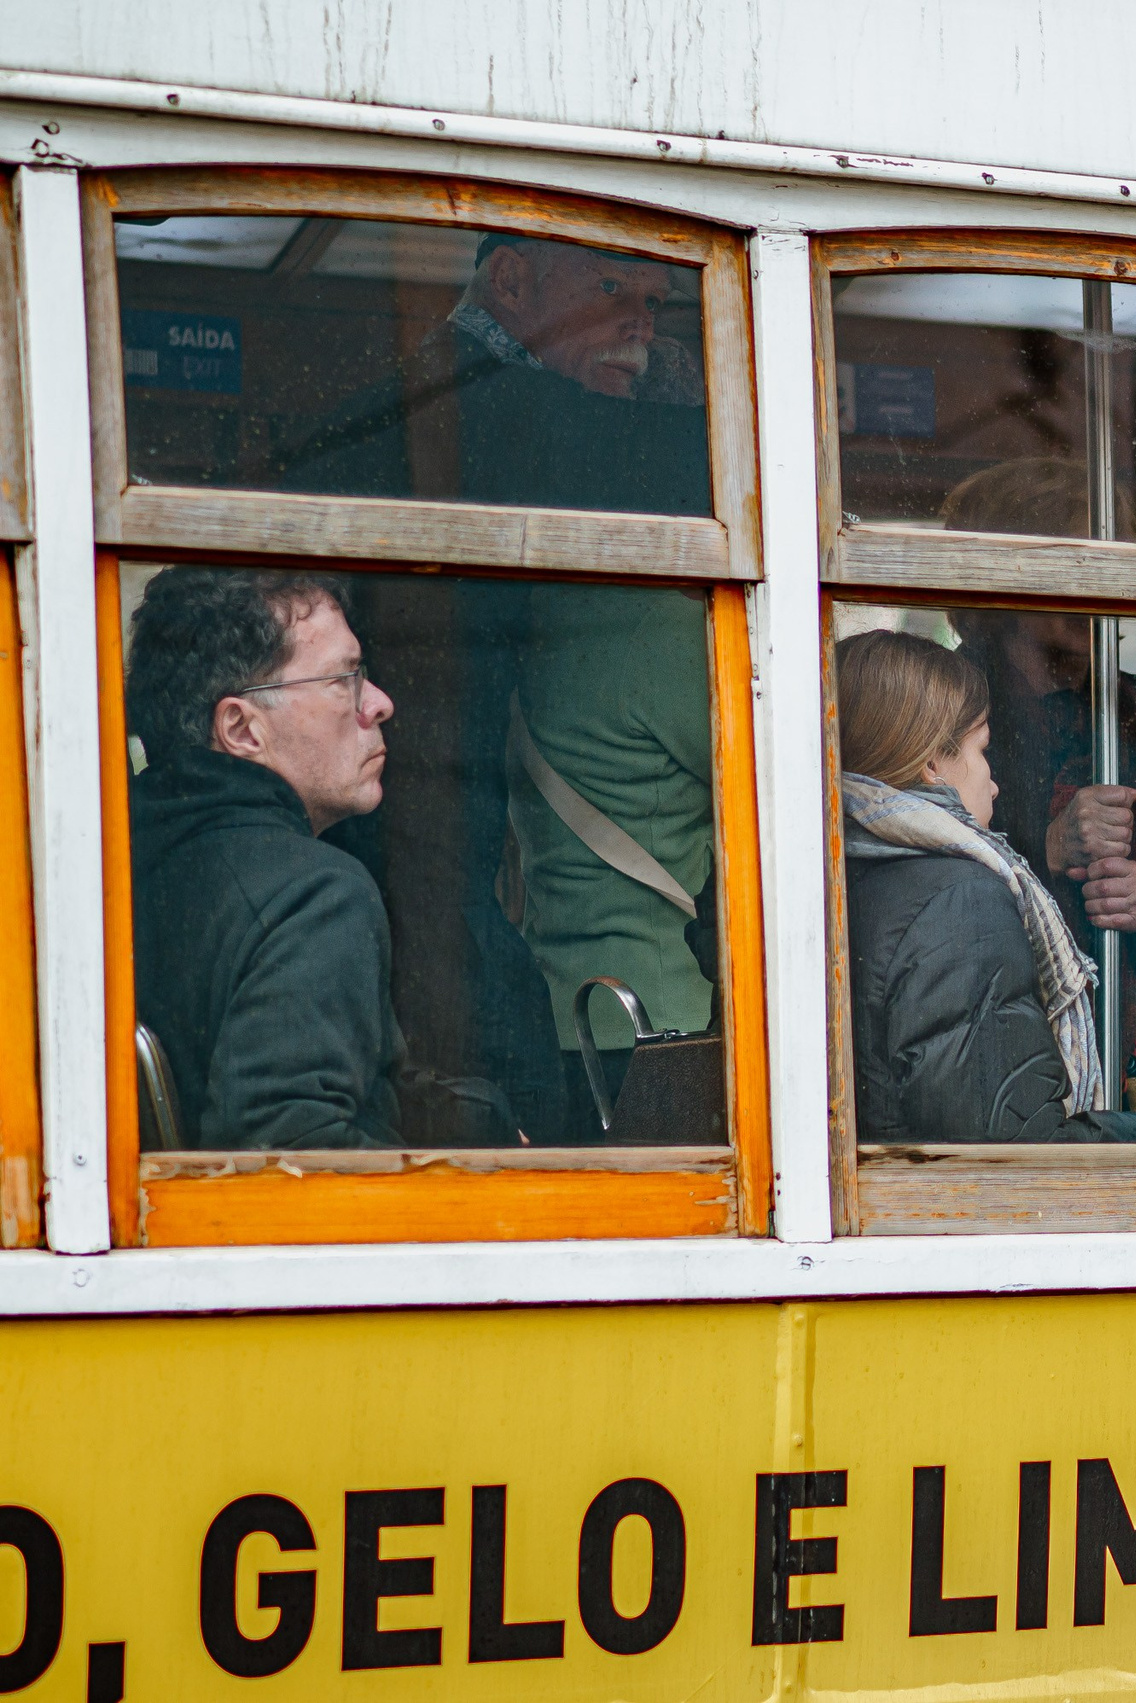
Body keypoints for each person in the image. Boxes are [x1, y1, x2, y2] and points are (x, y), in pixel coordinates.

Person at [836, 629, 1136, 1143]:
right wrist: (1045, 849)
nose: (994, 782)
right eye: (983, 753)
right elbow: (1013, 1150)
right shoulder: (961, 893)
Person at [124, 567, 514, 1150]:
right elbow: (293, 1159)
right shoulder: (314, 896)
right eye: (344, 678)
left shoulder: (112, 862)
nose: (379, 703)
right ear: (241, 728)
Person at [941, 458, 1136, 1079]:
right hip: (993, 1073)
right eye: (1071, 570)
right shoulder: (937, 708)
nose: (1094, 595)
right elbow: (892, 904)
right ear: (1005, 584)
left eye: (1109, 572)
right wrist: (1045, 844)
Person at [275, 231, 710, 513]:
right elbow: (702, 463)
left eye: (653, 302)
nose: (644, 328)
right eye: (611, 288)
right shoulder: (479, 397)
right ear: (510, 281)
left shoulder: (446, 378)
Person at [508, 584, 718, 1140]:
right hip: (664, 1016)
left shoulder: (539, 626)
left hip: (558, 1015)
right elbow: (778, 770)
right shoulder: (662, 628)